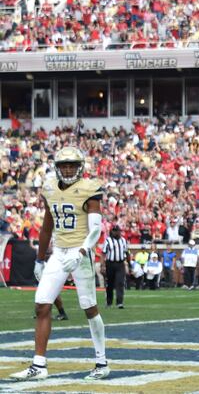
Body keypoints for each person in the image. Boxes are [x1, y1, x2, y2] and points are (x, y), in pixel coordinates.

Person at [11, 147, 109, 381]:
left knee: (89, 307)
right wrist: (40, 258)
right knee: (42, 305)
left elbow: (96, 229)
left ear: (80, 167)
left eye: (72, 165)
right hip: (59, 252)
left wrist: (83, 251)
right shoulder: (50, 188)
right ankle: (39, 365)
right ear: (57, 167)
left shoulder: (89, 189)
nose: (67, 169)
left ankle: (102, 362)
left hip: (80, 251)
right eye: (64, 165)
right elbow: (47, 226)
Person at [102, 225, 128, 308]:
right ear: (111, 232)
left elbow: (127, 252)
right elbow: (103, 253)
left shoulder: (123, 240)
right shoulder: (108, 240)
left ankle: (119, 302)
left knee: (120, 283)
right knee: (110, 284)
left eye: (117, 231)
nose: (116, 232)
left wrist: (129, 264)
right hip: (110, 264)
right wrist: (103, 266)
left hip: (120, 264)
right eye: (114, 231)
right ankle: (109, 302)